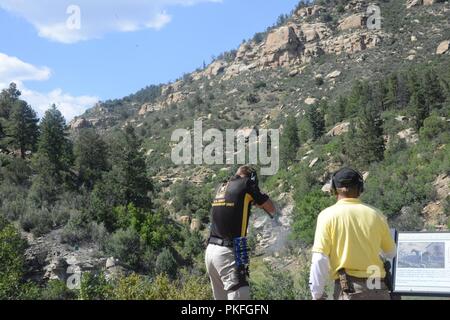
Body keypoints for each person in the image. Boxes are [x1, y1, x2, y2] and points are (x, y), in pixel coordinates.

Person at [309, 167, 397, 300]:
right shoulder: (377, 214)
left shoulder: (327, 216)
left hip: (349, 289)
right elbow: (390, 253)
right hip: (378, 288)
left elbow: (319, 259)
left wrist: (317, 293)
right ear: (360, 188)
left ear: (333, 189)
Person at [205, 165, 276, 300]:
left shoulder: (222, 187)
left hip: (211, 251)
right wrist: (257, 198)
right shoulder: (247, 184)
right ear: (252, 178)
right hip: (229, 251)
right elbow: (271, 209)